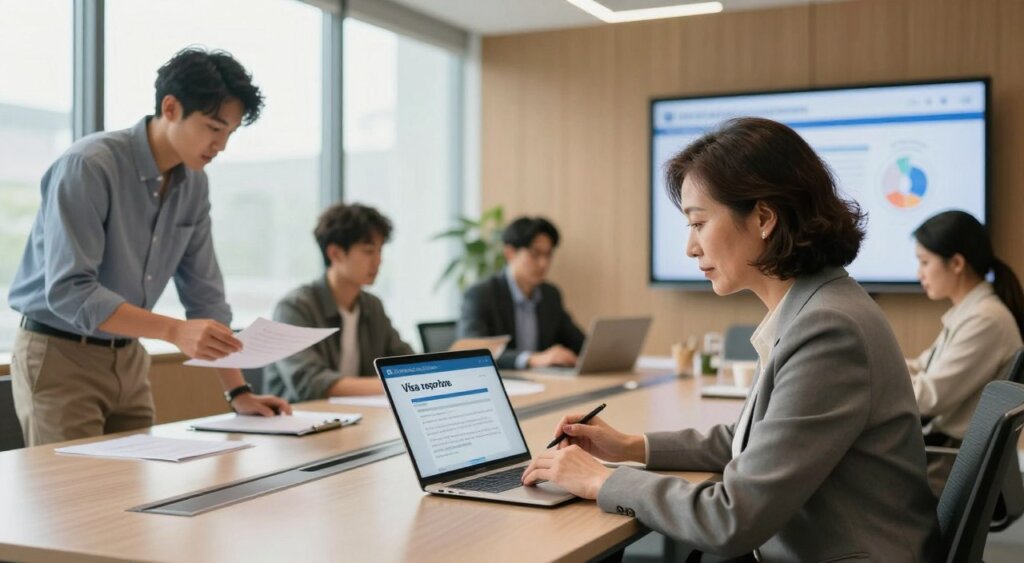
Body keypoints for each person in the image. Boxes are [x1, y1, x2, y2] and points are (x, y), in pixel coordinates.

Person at [522, 118, 941, 561]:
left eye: (698, 223)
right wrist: (630, 447)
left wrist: (602, 480)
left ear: (763, 218)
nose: (690, 247)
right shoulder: (814, 305)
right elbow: (754, 439)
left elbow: (731, 519)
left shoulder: (828, 329)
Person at [8, 47, 290, 447]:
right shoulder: (89, 165)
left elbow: (205, 298)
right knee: (74, 501)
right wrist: (174, 330)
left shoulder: (194, 184)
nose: (221, 145)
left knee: (135, 500)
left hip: (130, 358)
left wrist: (238, 393)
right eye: (213, 127)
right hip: (59, 355)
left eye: (229, 132)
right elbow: (70, 291)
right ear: (170, 107)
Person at [908, 210, 1024, 494]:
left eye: (924, 262)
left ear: (957, 263)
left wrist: (877, 380)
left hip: (951, 463)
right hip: (947, 455)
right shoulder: (970, 312)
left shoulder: (985, 320)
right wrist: (878, 364)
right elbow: (923, 366)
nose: (918, 273)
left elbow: (929, 398)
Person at [264, 203, 413, 402]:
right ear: (335, 253)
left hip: (357, 419)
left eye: (380, 251)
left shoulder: (372, 306)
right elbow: (310, 383)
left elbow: (404, 362)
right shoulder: (294, 307)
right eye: (369, 251)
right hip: (299, 422)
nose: (378, 261)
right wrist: (391, 383)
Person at [457, 216, 585, 370]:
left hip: (543, 381)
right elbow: (473, 352)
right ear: (510, 253)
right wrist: (532, 359)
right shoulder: (481, 294)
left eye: (548, 255)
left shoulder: (550, 295)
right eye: (535, 254)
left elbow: (579, 343)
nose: (544, 263)